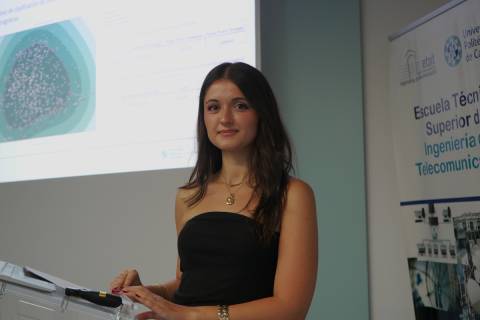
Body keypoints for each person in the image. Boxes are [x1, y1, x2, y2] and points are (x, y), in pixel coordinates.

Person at [110, 62, 317, 320]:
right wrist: (148, 292)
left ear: (262, 113)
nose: (225, 118)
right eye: (213, 107)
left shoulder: (292, 194)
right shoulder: (188, 196)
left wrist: (196, 316)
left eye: (240, 105)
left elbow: (290, 308)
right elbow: (188, 283)